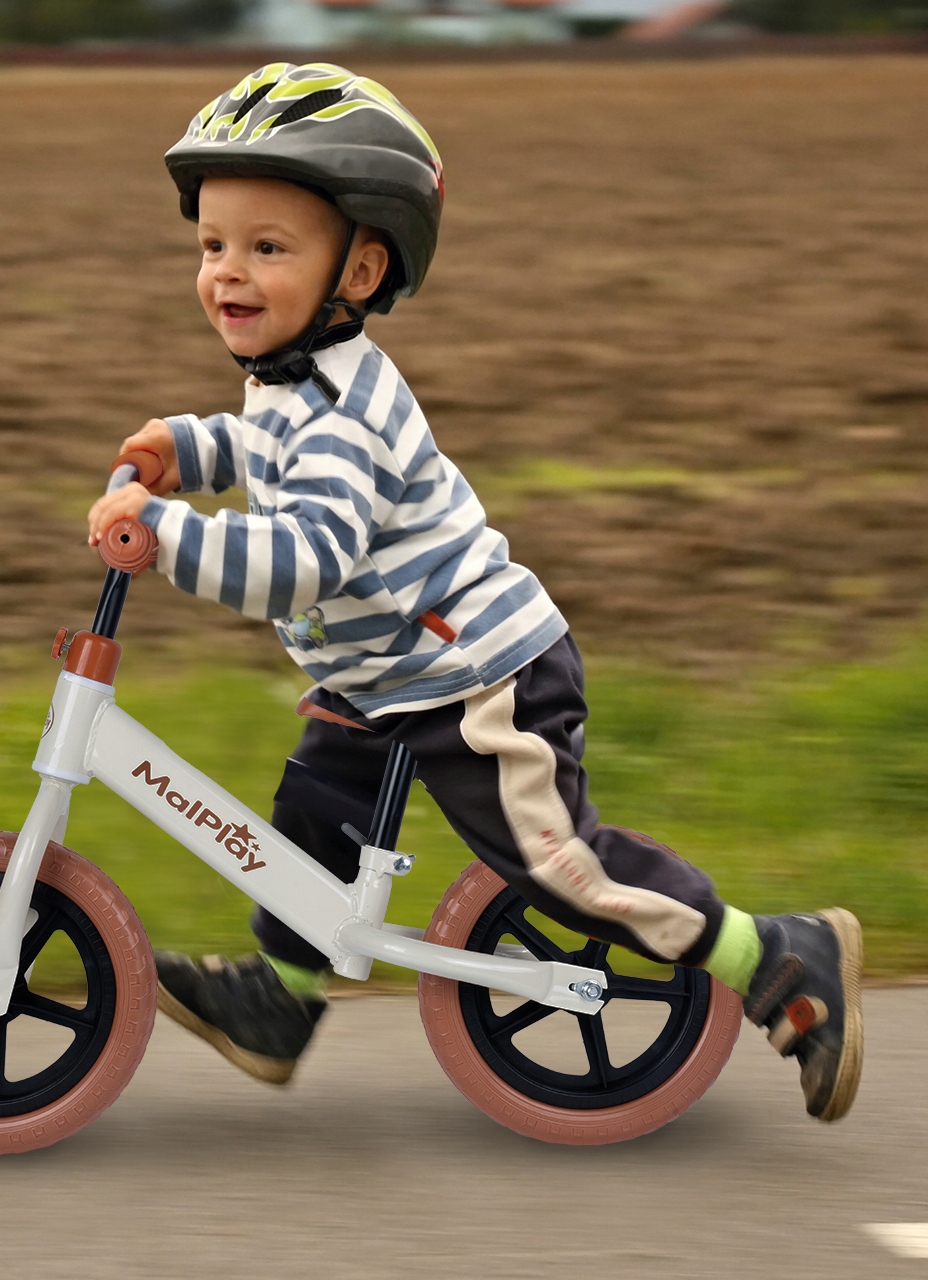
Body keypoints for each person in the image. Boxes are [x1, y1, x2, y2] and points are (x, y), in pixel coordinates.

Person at [86, 63, 863, 1122]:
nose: (227, 271)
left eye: (267, 248)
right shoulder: (291, 380)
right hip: (383, 673)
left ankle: (777, 954)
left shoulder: (345, 414)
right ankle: (283, 997)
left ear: (358, 267)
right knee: (314, 818)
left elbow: (303, 553)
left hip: (477, 677)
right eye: (211, 245)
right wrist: (188, 447)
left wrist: (163, 534)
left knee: (562, 870)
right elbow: (263, 446)